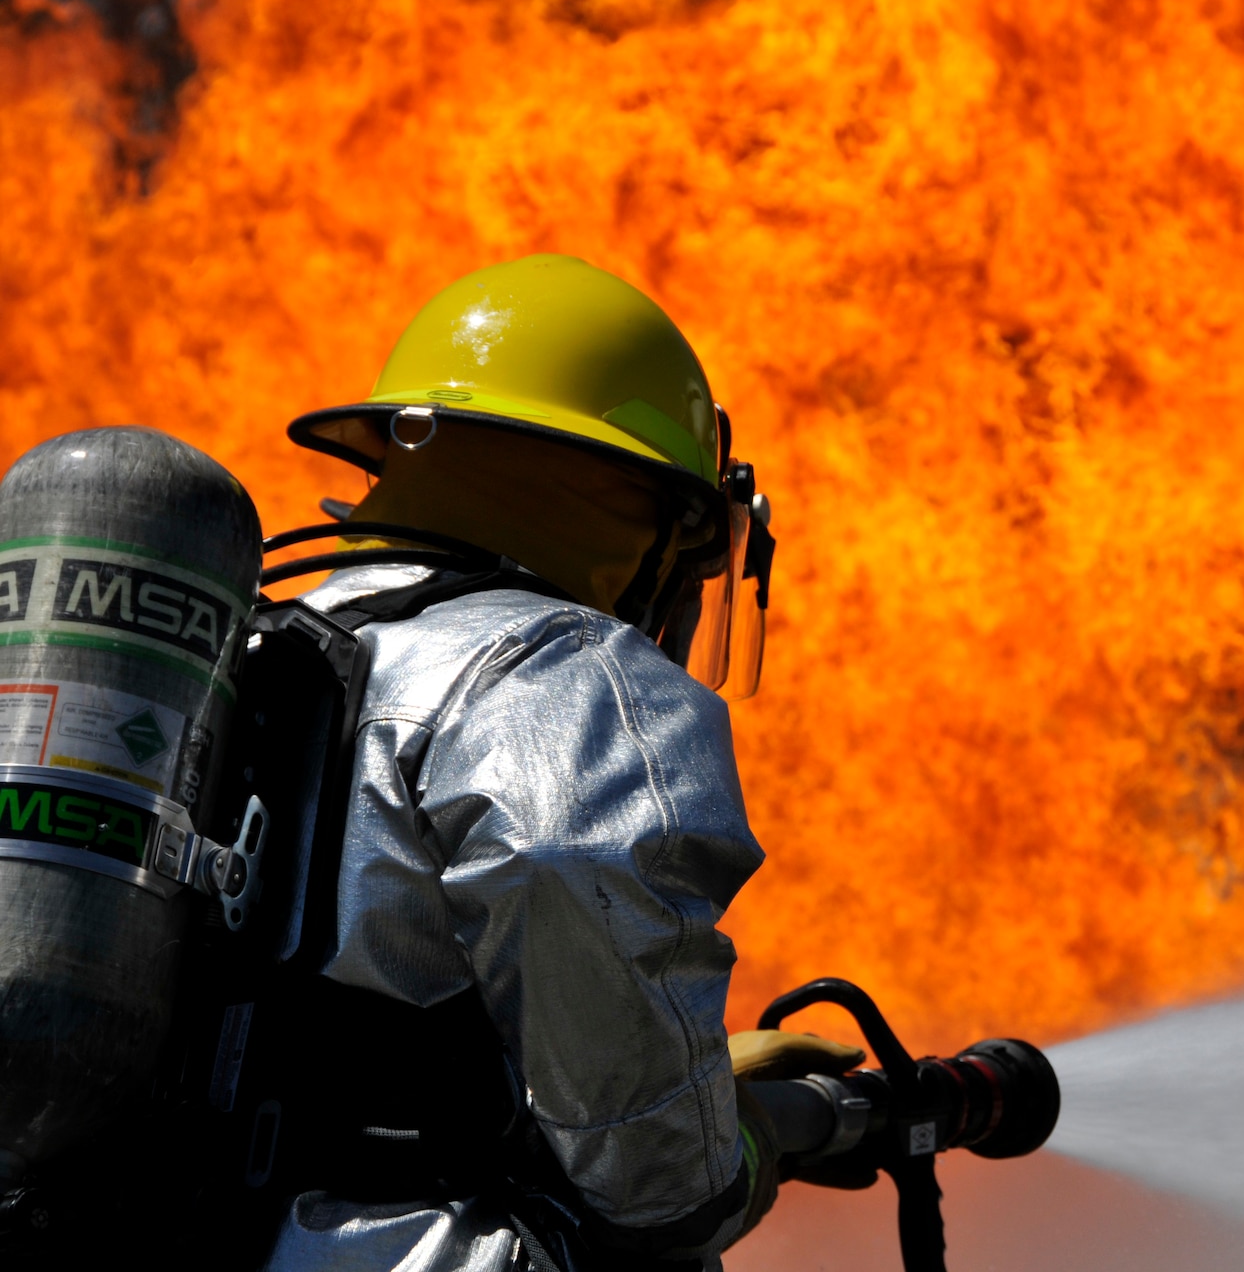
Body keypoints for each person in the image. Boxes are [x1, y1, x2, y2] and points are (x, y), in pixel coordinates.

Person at [263, 253, 860, 1271]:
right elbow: (657, 1184)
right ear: (644, 510)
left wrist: (702, 1071)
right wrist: (731, 1141)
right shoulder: (564, 666)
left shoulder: (265, 640)